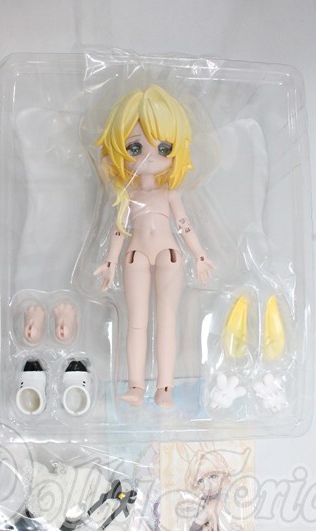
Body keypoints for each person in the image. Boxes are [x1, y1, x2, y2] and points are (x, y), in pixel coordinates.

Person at [94, 85, 214, 408]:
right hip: (135, 254)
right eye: (135, 147)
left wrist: (200, 255)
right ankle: (135, 386)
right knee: (136, 321)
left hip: (168, 254)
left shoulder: (169, 194)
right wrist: (109, 262)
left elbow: (184, 225)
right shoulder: (128, 195)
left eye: (163, 147)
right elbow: (119, 230)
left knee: (166, 320)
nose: (148, 156)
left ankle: (165, 388)